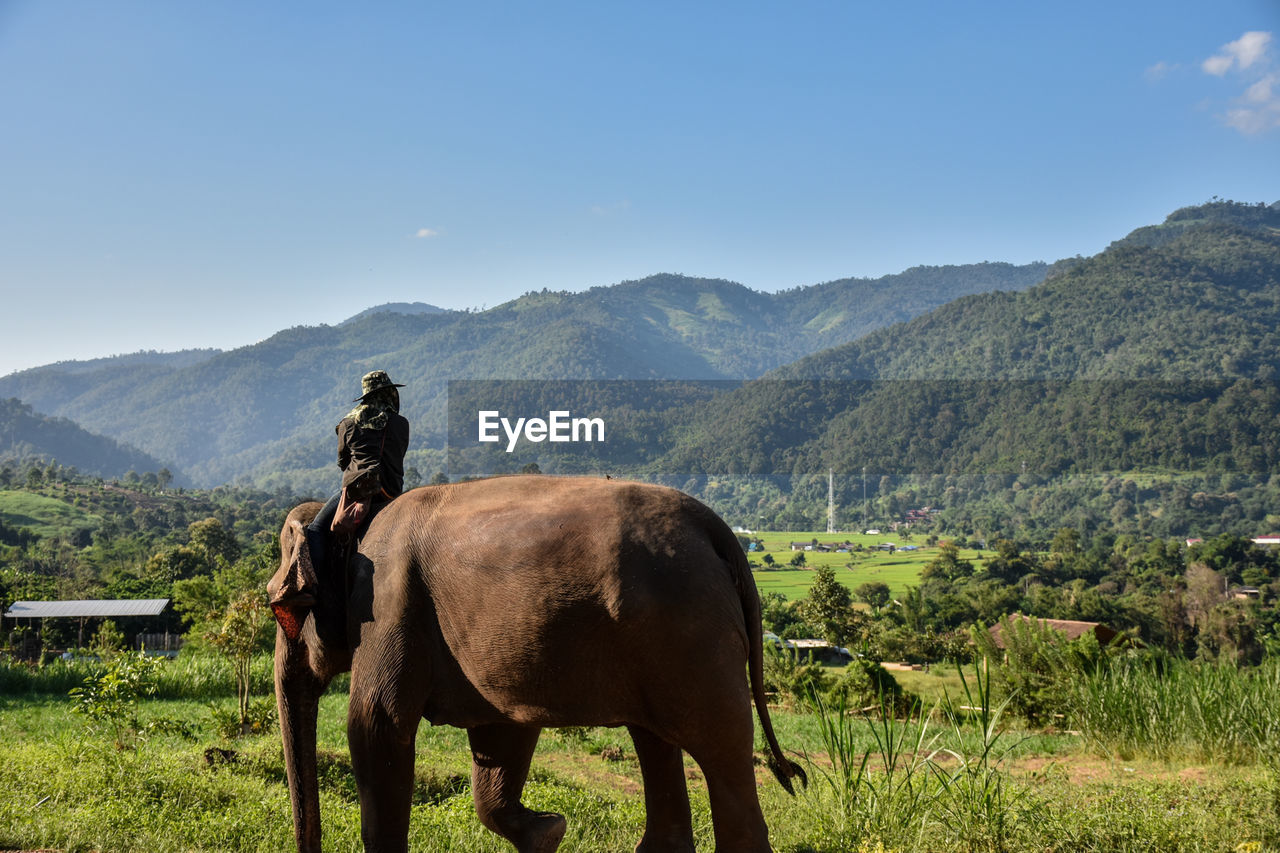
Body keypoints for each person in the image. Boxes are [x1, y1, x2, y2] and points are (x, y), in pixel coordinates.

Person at [302, 369, 410, 574]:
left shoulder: (348, 423)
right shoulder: (401, 423)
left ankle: (319, 586)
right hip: (392, 489)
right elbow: (399, 454)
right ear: (390, 394)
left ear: (366, 395)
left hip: (359, 491)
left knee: (315, 529)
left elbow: (342, 462)